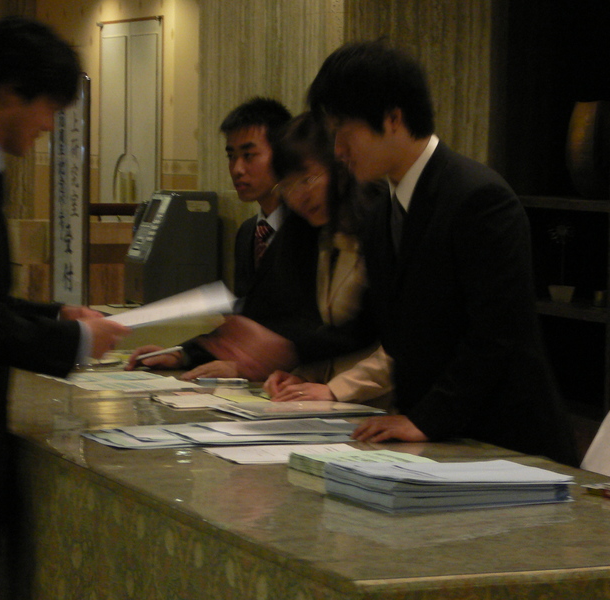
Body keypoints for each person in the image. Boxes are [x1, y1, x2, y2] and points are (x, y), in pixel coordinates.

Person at [306, 41, 577, 465]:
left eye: (343, 130)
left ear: (393, 118)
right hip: (435, 442)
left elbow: (496, 334)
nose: (337, 149)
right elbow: (369, 324)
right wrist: (279, 352)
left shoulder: (479, 198)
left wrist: (427, 420)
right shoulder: (381, 213)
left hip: (508, 447)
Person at [0, 16, 131, 599]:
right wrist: (75, 343)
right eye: (48, 107)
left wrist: (55, 316)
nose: (50, 125)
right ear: (9, 93)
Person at [127, 98, 323, 379]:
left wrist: (247, 368)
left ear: (282, 155)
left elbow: (308, 326)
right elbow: (246, 325)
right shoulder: (248, 233)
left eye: (249, 155)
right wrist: (182, 354)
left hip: (302, 379)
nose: (237, 169)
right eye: (231, 156)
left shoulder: (310, 226)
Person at [262, 112, 393, 407]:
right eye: (287, 186)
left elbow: (403, 342)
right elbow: (339, 338)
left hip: (389, 407)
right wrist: (301, 376)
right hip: (345, 408)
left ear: (341, 166)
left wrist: (335, 389)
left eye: (307, 179)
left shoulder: (384, 223)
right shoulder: (326, 235)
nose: (298, 197)